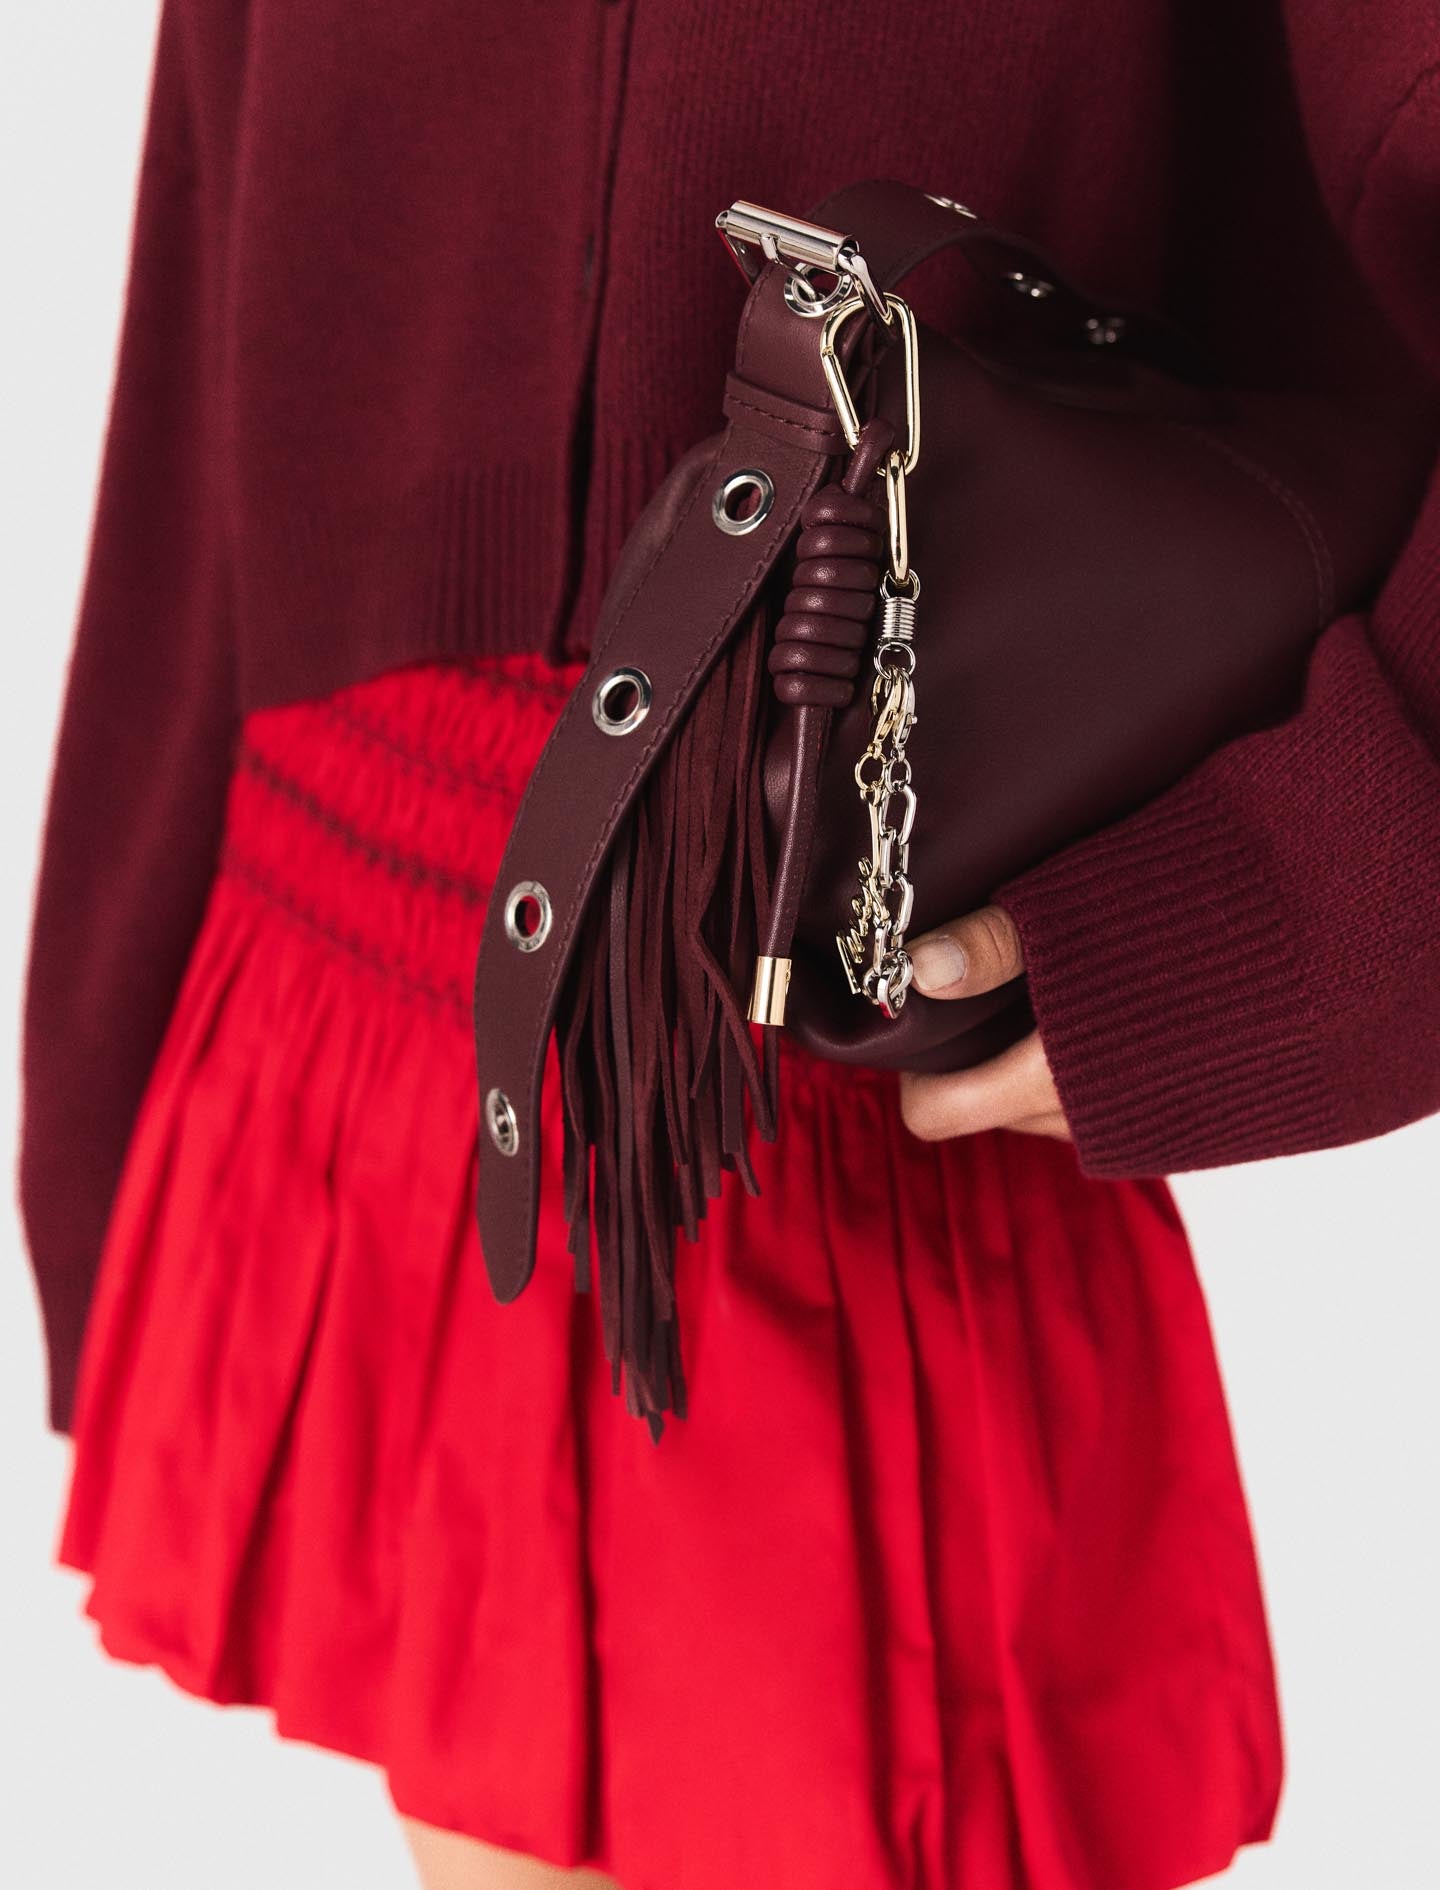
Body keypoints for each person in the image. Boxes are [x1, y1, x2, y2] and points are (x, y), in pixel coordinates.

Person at [20, 5, 1440, 1889]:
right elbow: (226, 152)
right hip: (350, 985)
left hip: (802, 1075)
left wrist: (1348, 870)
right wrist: (110, 1037)